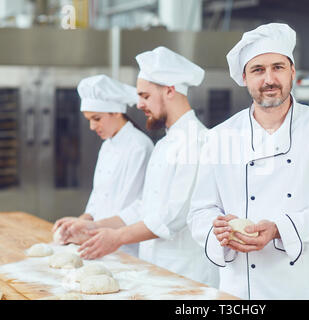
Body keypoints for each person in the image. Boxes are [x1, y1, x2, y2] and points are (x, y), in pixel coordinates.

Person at [187, 23, 309, 299]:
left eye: (278, 67)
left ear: (292, 71)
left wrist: (280, 229)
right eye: (258, 70)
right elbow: (199, 211)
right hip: (242, 290)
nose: (269, 79)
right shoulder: (220, 137)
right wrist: (217, 229)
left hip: (307, 286)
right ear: (244, 77)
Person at [67, 47, 219, 288]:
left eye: (145, 96)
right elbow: (145, 206)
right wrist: (94, 226)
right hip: (156, 268)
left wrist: (116, 237)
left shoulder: (196, 141)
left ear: (170, 90)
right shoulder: (166, 143)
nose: (138, 105)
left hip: (185, 274)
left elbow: (173, 216)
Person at [52, 75, 154, 257]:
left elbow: (140, 206)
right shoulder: (107, 145)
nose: (92, 126)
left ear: (116, 112)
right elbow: (99, 195)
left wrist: (96, 226)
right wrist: (80, 221)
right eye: (89, 119)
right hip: (97, 239)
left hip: (125, 244)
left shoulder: (139, 146)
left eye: (97, 118)